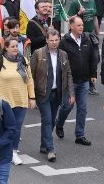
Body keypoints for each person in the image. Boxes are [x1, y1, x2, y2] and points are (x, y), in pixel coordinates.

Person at [0, 36, 35, 166]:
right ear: (6, 48)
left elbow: (29, 79)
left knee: (16, 127)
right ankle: (1, 149)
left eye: (17, 46)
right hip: (4, 101)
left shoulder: (24, 61)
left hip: (20, 99)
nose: (16, 48)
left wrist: (32, 97)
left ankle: (13, 152)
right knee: (3, 126)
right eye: (13, 46)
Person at [29, 29, 74, 162]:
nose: (54, 43)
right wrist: (31, 96)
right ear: (47, 40)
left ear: (59, 40)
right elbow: (31, 75)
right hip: (42, 93)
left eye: (56, 40)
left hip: (57, 92)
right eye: (51, 40)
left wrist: (71, 93)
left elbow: (68, 74)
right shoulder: (39, 53)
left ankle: (44, 145)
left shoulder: (63, 55)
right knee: (47, 119)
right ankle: (50, 150)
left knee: (51, 120)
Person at [55, 16, 99, 146]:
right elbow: (59, 62)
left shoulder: (86, 40)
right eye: (79, 25)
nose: (81, 27)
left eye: (82, 25)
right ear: (71, 26)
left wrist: (93, 74)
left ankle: (80, 135)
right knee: (67, 106)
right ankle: (59, 123)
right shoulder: (64, 42)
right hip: (70, 81)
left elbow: (92, 58)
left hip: (84, 80)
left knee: (82, 108)